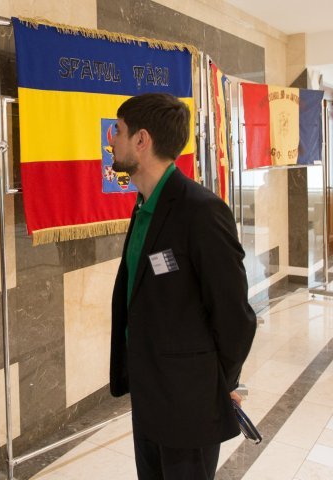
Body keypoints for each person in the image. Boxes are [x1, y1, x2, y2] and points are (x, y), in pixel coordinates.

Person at [108, 93, 256, 480]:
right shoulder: (143, 206)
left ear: (142, 141)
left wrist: (218, 385)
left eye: (118, 130)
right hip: (149, 393)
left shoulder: (201, 210)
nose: (111, 138)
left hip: (190, 401)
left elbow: (236, 316)